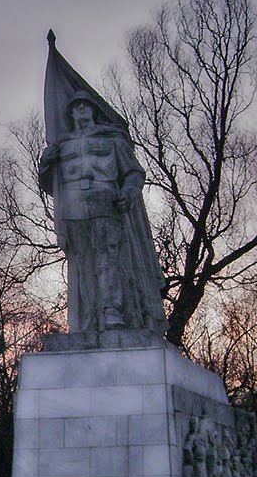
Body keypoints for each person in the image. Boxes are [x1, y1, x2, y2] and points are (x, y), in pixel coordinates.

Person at [39, 90, 168, 335]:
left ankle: (112, 311)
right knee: (82, 266)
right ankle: (89, 316)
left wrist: (128, 192)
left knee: (108, 260)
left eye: (85, 106)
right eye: (76, 107)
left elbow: (133, 173)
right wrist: (46, 162)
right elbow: (49, 184)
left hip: (104, 200)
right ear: (70, 113)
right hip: (74, 207)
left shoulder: (111, 140)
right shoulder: (62, 145)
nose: (81, 110)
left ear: (94, 110)